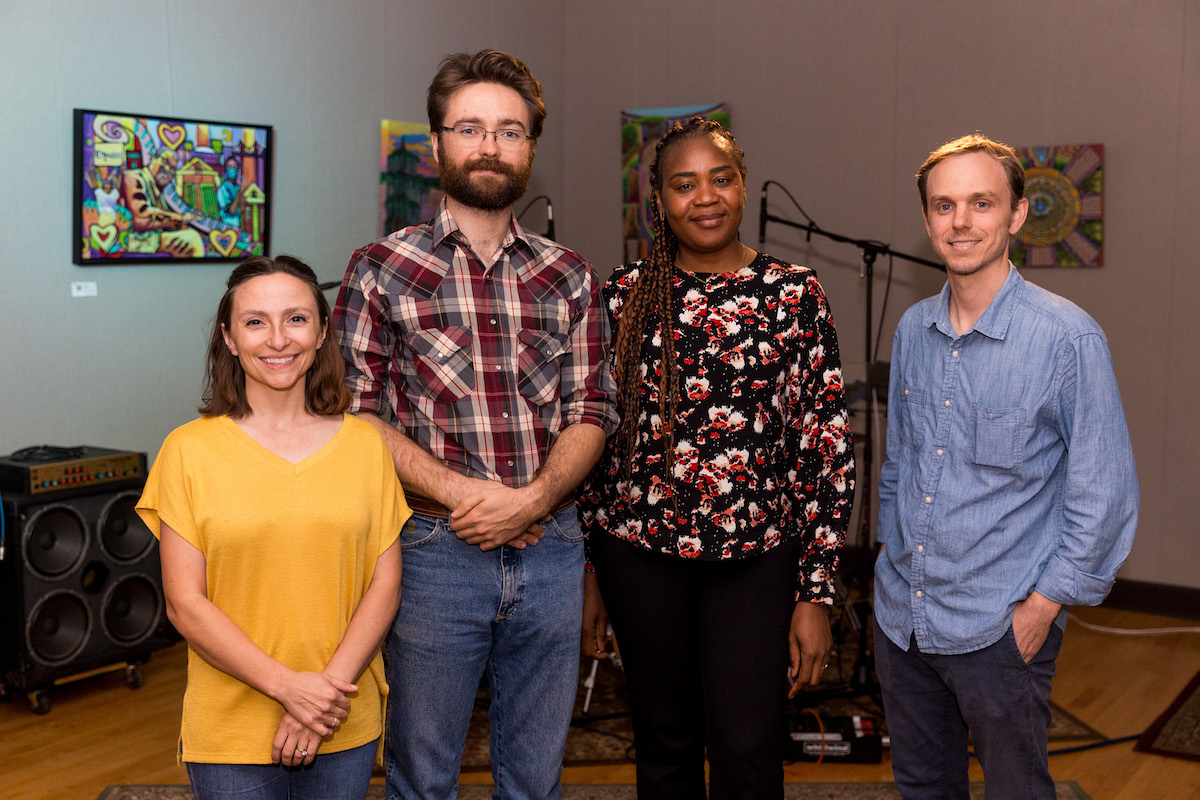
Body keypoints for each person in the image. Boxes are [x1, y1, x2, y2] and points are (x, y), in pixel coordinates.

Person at [334, 50, 618, 800]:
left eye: (509, 131)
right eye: (471, 128)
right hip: (430, 555)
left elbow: (592, 408)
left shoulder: (570, 276)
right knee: (423, 777)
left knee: (535, 780)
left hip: (553, 549)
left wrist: (534, 499)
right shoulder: (378, 270)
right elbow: (351, 416)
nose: (490, 145)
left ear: (529, 150)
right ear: (438, 147)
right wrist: (466, 495)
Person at [577, 117, 856, 800]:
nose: (705, 197)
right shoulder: (622, 295)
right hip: (638, 558)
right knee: (663, 746)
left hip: (756, 562)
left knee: (748, 748)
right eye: (684, 184)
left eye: (720, 178)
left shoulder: (794, 292)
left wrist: (815, 592)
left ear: (742, 183)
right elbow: (595, 438)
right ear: (660, 203)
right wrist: (588, 572)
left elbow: (826, 447)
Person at [873, 133, 1139, 799]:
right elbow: (901, 462)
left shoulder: (1067, 338)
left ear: (1016, 215)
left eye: (981, 203)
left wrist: (1043, 606)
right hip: (902, 618)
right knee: (922, 788)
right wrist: (887, 562)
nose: (960, 221)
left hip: (1000, 626)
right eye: (944, 206)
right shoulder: (911, 331)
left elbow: (1103, 492)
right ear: (928, 219)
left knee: (1018, 791)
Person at [136, 255, 407, 800]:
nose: (278, 339)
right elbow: (185, 604)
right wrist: (290, 689)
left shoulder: (366, 446)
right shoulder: (187, 452)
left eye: (297, 319)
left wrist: (320, 701)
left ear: (323, 331)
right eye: (255, 321)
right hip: (230, 726)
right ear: (230, 339)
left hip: (341, 716)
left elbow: (385, 585)